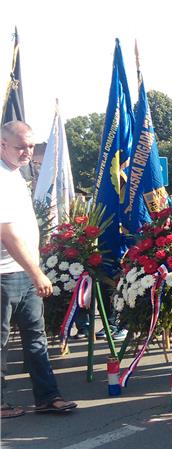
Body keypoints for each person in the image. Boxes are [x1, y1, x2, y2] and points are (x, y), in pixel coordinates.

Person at [1, 121, 77, 418]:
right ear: (2, 145)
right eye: (21, 147)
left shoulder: (16, 175)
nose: (27, 152)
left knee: (35, 337)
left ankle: (48, 396)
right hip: (6, 273)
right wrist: (37, 272)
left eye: (31, 146)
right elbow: (6, 232)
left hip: (22, 270)